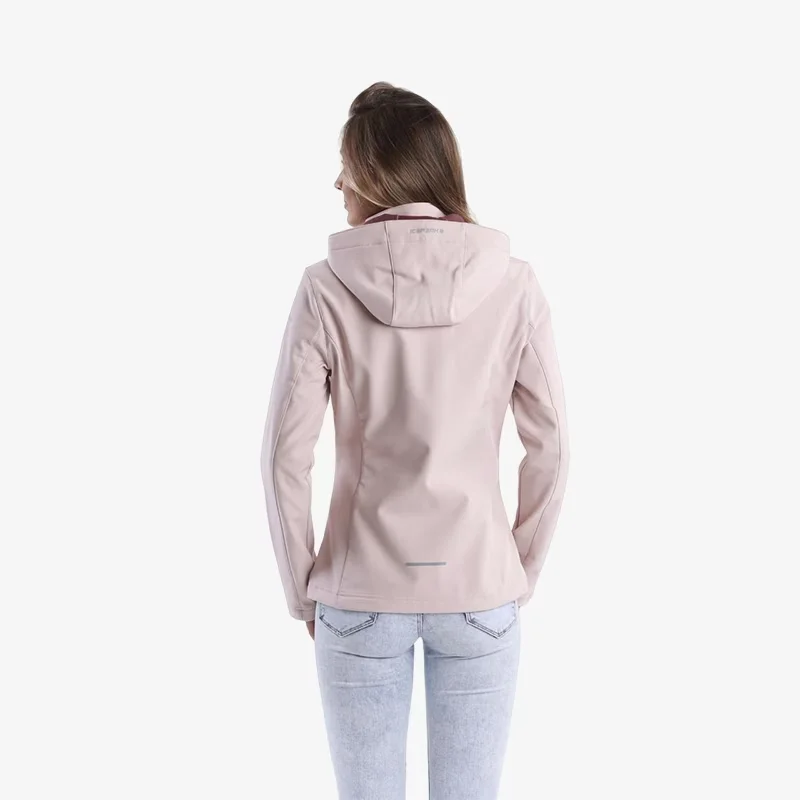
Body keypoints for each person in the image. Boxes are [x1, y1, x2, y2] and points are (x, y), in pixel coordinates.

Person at [260, 81, 570, 800]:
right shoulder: (515, 285)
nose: (338, 184)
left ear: (379, 173)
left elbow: (285, 458)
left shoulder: (325, 287)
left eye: (346, 166)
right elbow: (551, 446)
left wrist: (303, 592)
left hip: (359, 591)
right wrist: (514, 569)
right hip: (480, 590)